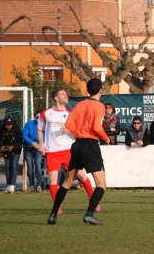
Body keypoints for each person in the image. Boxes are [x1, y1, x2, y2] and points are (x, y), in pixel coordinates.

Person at [47, 79, 110, 225]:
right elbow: (96, 127)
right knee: (101, 184)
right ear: (101, 90)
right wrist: (105, 138)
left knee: (67, 183)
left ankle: (53, 214)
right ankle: (89, 214)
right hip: (90, 145)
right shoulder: (99, 106)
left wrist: (79, 133)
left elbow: (69, 125)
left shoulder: (79, 105)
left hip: (77, 145)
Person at [39, 88, 99, 218]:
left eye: (66, 94)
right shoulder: (46, 113)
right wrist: (42, 144)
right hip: (52, 152)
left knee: (82, 176)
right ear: (56, 98)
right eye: (63, 94)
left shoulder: (71, 113)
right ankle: (57, 208)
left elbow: (77, 132)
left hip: (68, 150)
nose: (66, 96)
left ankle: (94, 202)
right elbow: (40, 129)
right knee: (53, 180)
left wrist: (69, 131)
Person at [0, 116, 22, 193]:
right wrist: (1, 146)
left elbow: (20, 141)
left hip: (16, 150)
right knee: (7, 167)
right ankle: (8, 184)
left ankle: (12, 185)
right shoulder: (0, 129)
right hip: (5, 151)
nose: (8, 126)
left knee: (14, 166)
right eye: (7, 124)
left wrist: (13, 146)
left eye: (10, 124)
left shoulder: (17, 128)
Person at [22, 111, 43, 192]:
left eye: (40, 117)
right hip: (28, 148)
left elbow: (45, 136)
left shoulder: (44, 125)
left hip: (38, 149)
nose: (39, 119)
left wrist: (40, 144)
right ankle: (31, 185)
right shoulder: (29, 124)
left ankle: (39, 186)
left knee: (38, 166)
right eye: (37, 117)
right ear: (35, 117)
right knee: (30, 168)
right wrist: (32, 142)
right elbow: (24, 135)